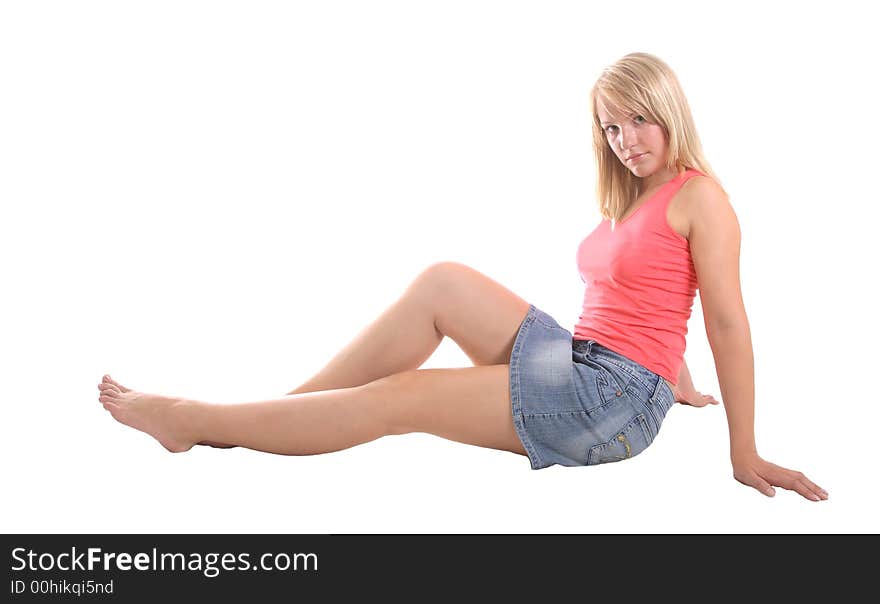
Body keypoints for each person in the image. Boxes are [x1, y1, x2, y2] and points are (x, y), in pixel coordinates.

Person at [97, 52, 827, 502]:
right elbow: (654, 299)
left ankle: (199, 422)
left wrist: (743, 449)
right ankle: (273, 418)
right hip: (589, 364)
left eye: (638, 120)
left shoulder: (703, 196)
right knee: (442, 280)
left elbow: (726, 319)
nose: (624, 140)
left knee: (403, 398)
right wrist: (680, 376)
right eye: (609, 127)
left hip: (608, 403)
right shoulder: (638, 198)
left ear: (669, 111)